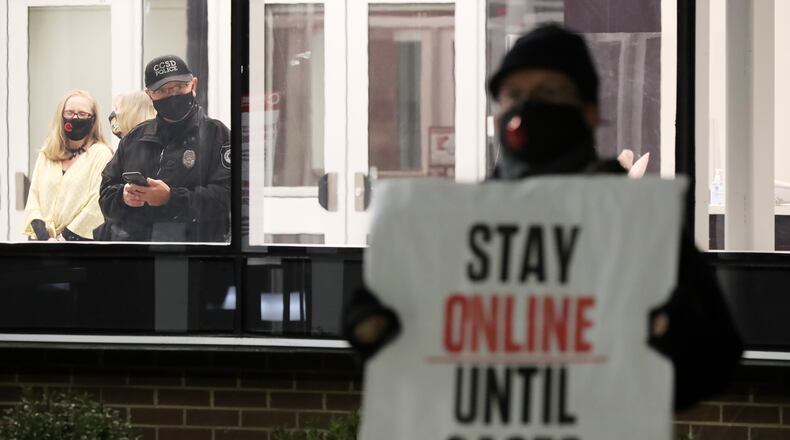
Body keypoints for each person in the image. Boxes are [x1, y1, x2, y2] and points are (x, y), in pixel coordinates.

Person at [343, 24, 743, 411]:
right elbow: (374, 330)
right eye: (513, 94)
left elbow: (715, 356)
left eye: (548, 93)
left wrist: (660, 341)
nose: (526, 107)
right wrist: (376, 326)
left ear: (588, 111)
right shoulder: (455, 222)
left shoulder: (636, 224)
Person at [99, 55, 230, 242]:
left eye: (179, 87)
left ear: (193, 85)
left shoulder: (217, 135)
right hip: (138, 256)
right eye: (163, 90)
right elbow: (106, 192)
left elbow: (228, 198)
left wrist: (171, 198)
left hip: (197, 255)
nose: (173, 95)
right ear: (149, 94)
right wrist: (124, 196)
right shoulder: (134, 139)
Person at [22, 90, 114, 241]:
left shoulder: (101, 154)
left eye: (82, 114)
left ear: (93, 119)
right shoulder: (47, 153)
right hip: (42, 243)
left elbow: (97, 202)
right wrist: (41, 232)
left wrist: (66, 235)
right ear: (61, 116)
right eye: (70, 112)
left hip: (78, 243)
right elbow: (34, 196)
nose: (75, 118)